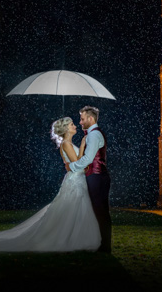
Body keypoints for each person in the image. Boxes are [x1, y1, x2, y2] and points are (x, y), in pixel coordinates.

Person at [0, 116, 100, 252]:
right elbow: (77, 163)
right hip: (75, 180)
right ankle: (67, 239)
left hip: (77, 179)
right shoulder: (66, 144)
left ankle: (76, 238)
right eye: (71, 125)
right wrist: (83, 146)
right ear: (65, 129)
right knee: (72, 208)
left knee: (77, 208)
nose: (75, 126)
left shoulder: (69, 144)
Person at [66, 105, 111, 253]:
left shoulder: (93, 135)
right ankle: (102, 244)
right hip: (97, 176)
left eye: (82, 118)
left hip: (97, 177)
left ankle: (104, 246)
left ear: (91, 119)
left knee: (100, 211)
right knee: (99, 211)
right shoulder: (93, 134)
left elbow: (88, 159)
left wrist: (72, 166)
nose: (80, 122)